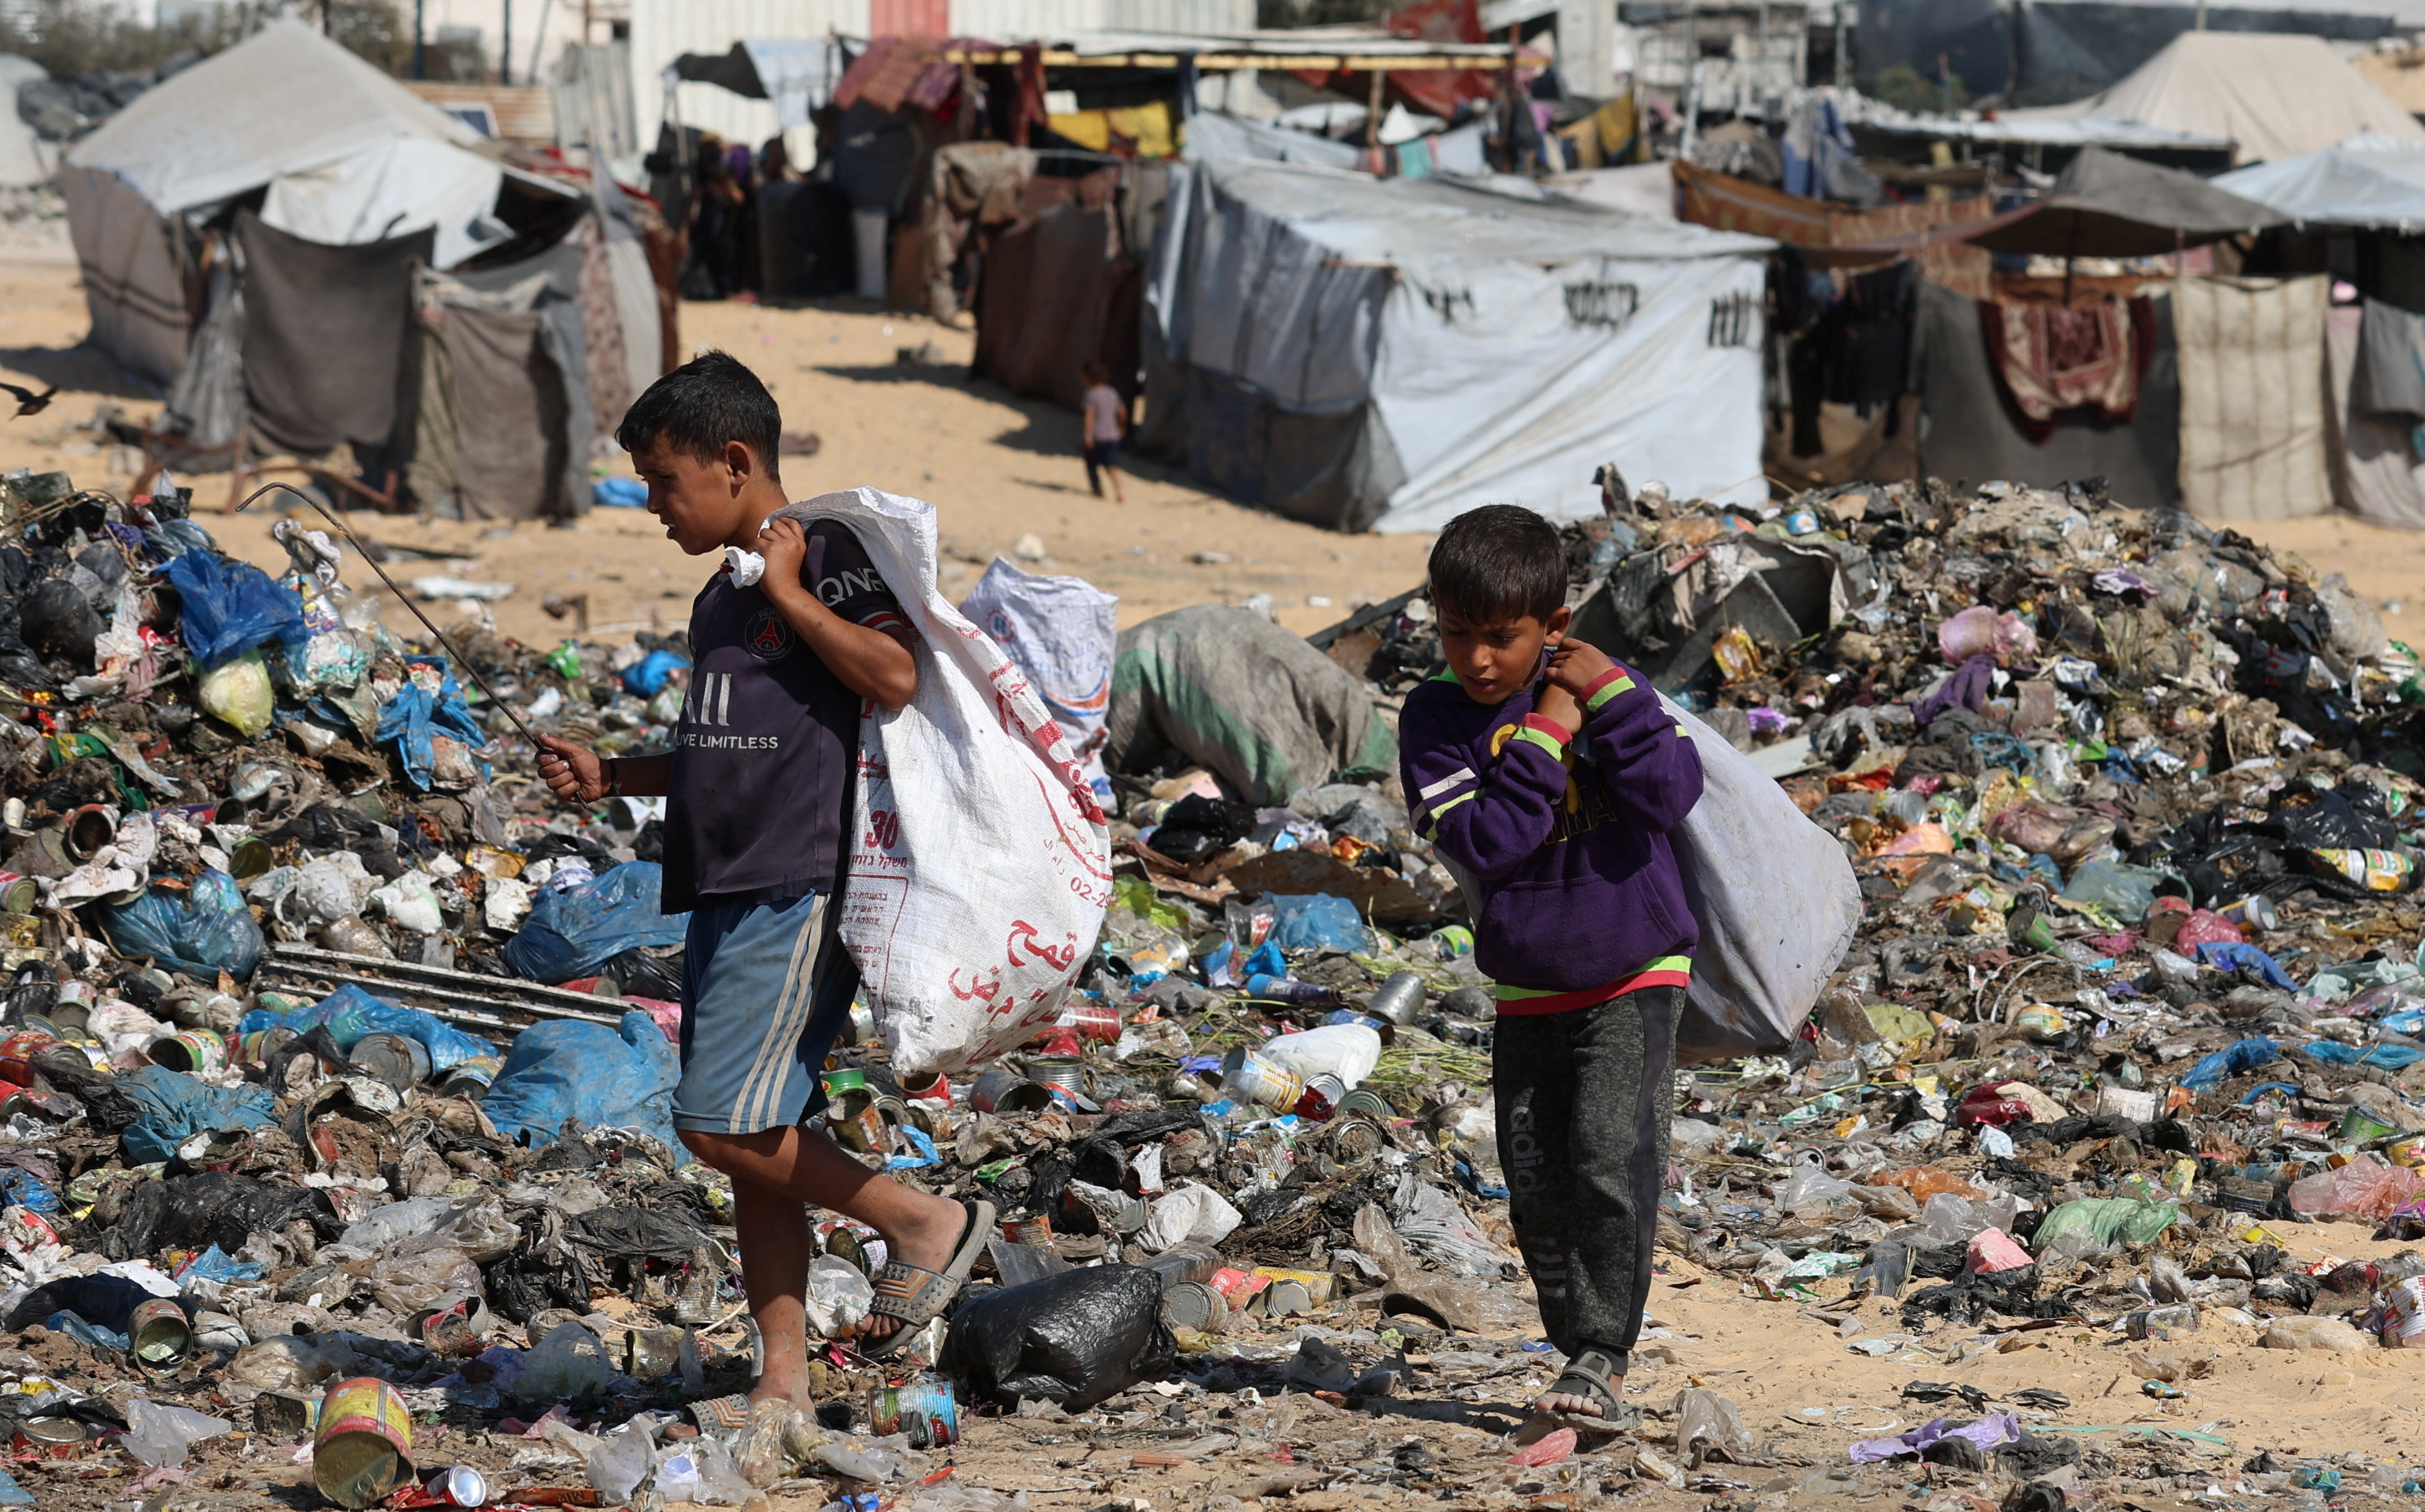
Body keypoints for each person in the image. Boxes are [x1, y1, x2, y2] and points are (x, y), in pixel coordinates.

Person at [534, 352, 992, 1421]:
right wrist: (615, 774)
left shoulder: (825, 558)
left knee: (715, 1123)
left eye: (662, 479)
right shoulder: (719, 598)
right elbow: (718, 744)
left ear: (735, 462)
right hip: (725, 882)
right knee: (756, 1143)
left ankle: (919, 1220)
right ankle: (780, 1379)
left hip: (800, 879)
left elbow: (892, 676)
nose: (651, 504)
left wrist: (789, 588)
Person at [1397, 504, 1703, 1434]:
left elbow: (1670, 793)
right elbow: (1487, 842)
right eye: (1458, 633)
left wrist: (1600, 697)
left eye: (1502, 637)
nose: (1479, 658)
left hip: (1636, 964)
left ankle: (1603, 1351)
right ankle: (1575, 1343)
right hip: (1529, 979)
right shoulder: (1435, 720)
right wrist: (1547, 728)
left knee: (1610, 1153)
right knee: (1534, 1179)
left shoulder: (1608, 686)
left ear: (1552, 626)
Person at [1078, 359, 1125, 503]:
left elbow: (1089, 417)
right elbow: (1123, 412)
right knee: (1112, 466)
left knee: (1091, 465)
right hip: (1112, 436)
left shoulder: (1091, 395)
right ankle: (1120, 491)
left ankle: (1097, 491)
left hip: (1098, 436)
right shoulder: (1112, 392)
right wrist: (1122, 428)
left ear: (1088, 378)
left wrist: (1088, 437)